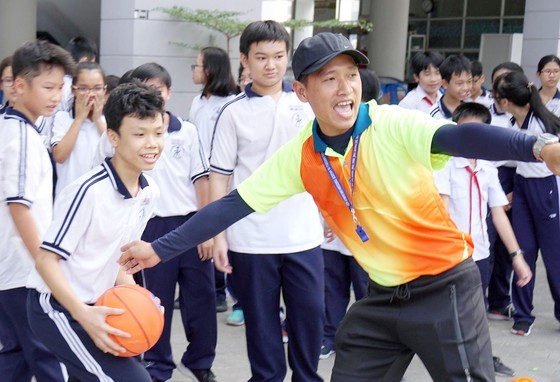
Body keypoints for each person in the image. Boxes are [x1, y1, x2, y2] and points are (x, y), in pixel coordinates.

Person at [119, 32, 560, 381]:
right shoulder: (302, 155)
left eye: (349, 74)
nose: (344, 87)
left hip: (445, 289)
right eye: (328, 78)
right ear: (303, 91)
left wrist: (538, 147)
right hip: (382, 299)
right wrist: (159, 249)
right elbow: (232, 206)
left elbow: (463, 138)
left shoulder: (390, 124)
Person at [208, 20, 324, 382]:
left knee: (309, 317)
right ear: (244, 60)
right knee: (260, 325)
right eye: (261, 57)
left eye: (278, 56)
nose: (270, 65)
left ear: (287, 58)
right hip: (251, 238)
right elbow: (219, 177)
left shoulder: (308, 105)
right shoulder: (231, 112)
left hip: (303, 233)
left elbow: (329, 165)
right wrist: (218, 235)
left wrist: (334, 215)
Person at [26, 82, 163, 382]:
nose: (151, 143)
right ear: (113, 137)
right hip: (57, 308)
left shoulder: (149, 192)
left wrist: (141, 297)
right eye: (139, 134)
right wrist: (83, 315)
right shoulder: (87, 191)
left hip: (99, 306)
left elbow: (118, 261)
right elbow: (45, 262)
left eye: (158, 132)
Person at [129, 62, 218, 382]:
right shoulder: (131, 133)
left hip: (189, 225)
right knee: (156, 301)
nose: (153, 96)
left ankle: (200, 360)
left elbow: (202, 182)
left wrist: (207, 229)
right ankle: (157, 365)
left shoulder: (187, 130)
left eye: (158, 90)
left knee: (203, 297)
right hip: (150, 228)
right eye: (145, 90)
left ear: (168, 93)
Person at [433, 102, 532, 377]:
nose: (471, 139)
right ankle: (459, 363)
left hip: (481, 254)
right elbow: (441, 212)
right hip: (454, 256)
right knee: (452, 313)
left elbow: (498, 213)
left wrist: (517, 257)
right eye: (465, 132)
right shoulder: (445, 164)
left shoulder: (487, 167)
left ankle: (481, 358)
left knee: (478, 310)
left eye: (478, 132)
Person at [0, 39, 73, 382]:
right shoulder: (21, 136)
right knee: (49, 358)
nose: (56, 95)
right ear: (19, 85)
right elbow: (19, 207)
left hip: (13, 270)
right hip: (24, 270)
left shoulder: (12, 128)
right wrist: (46, 263)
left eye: (60, 87)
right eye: (47, 87)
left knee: (15, 356)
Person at [492, 70, 560, 336]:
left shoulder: (543, 127)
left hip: (544, 192)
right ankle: (522, 314)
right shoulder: (513, 123)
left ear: (505, 101)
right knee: (522, 252)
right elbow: (507, 161)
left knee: (554, 257)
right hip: (521, 188)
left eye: (496, 97)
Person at [318, 67, 379, 361]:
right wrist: (326, 217)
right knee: (333, 289)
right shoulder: (327, 135)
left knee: (367, 292)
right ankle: (330, 336)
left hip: (367, 236)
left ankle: (369, 345)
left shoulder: (378, 138)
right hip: (333, 232)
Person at [188, 46, 237, 315]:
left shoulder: (230, 103)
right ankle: (206, 288)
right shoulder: (199, 101)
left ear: (210, 70)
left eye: (197, 65)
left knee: (217, 231)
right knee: (202, 230)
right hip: (197, 177)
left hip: (219, 178)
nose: (194, 70)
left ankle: (221, 292)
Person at [486, 61, 525, 321]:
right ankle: (479, 297)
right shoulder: (482, 111)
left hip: (516, 177)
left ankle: (499, 301)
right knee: (487, 240)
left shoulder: (525, 114)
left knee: (506, 245)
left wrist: (514, 192)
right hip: (491, 174)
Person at [51, 61, 107, 197]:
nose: (91, 94)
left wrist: (98, 119)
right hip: (68, 198)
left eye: (97, 88)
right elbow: (59, 156)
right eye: (83, 88)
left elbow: (117, 152)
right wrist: (79, 119)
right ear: (73, 90)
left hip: (100, 200)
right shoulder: (62, 118)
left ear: (105, 90)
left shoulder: (111, 120)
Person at [429, 55, 472, 120]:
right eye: (459, 83)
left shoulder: (471, 109)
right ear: (445, 84)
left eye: (469, 81)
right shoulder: (435, 114)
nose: (465, 88)